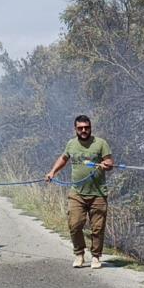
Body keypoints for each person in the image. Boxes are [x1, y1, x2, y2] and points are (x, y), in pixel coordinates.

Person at [45, 115, 114, 269]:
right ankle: (79, 254)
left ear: (90, 127)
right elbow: (63, 159)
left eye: (86, 127)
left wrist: (106, 165)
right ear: (75, 129)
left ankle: (96, 257)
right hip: (77, 193)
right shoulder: (71, 144)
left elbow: (110, 163)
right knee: (75, 224)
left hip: (98, 194)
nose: (84, 130)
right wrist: (52, 172)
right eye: (80, 128)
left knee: (97, 228)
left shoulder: (101, 144)